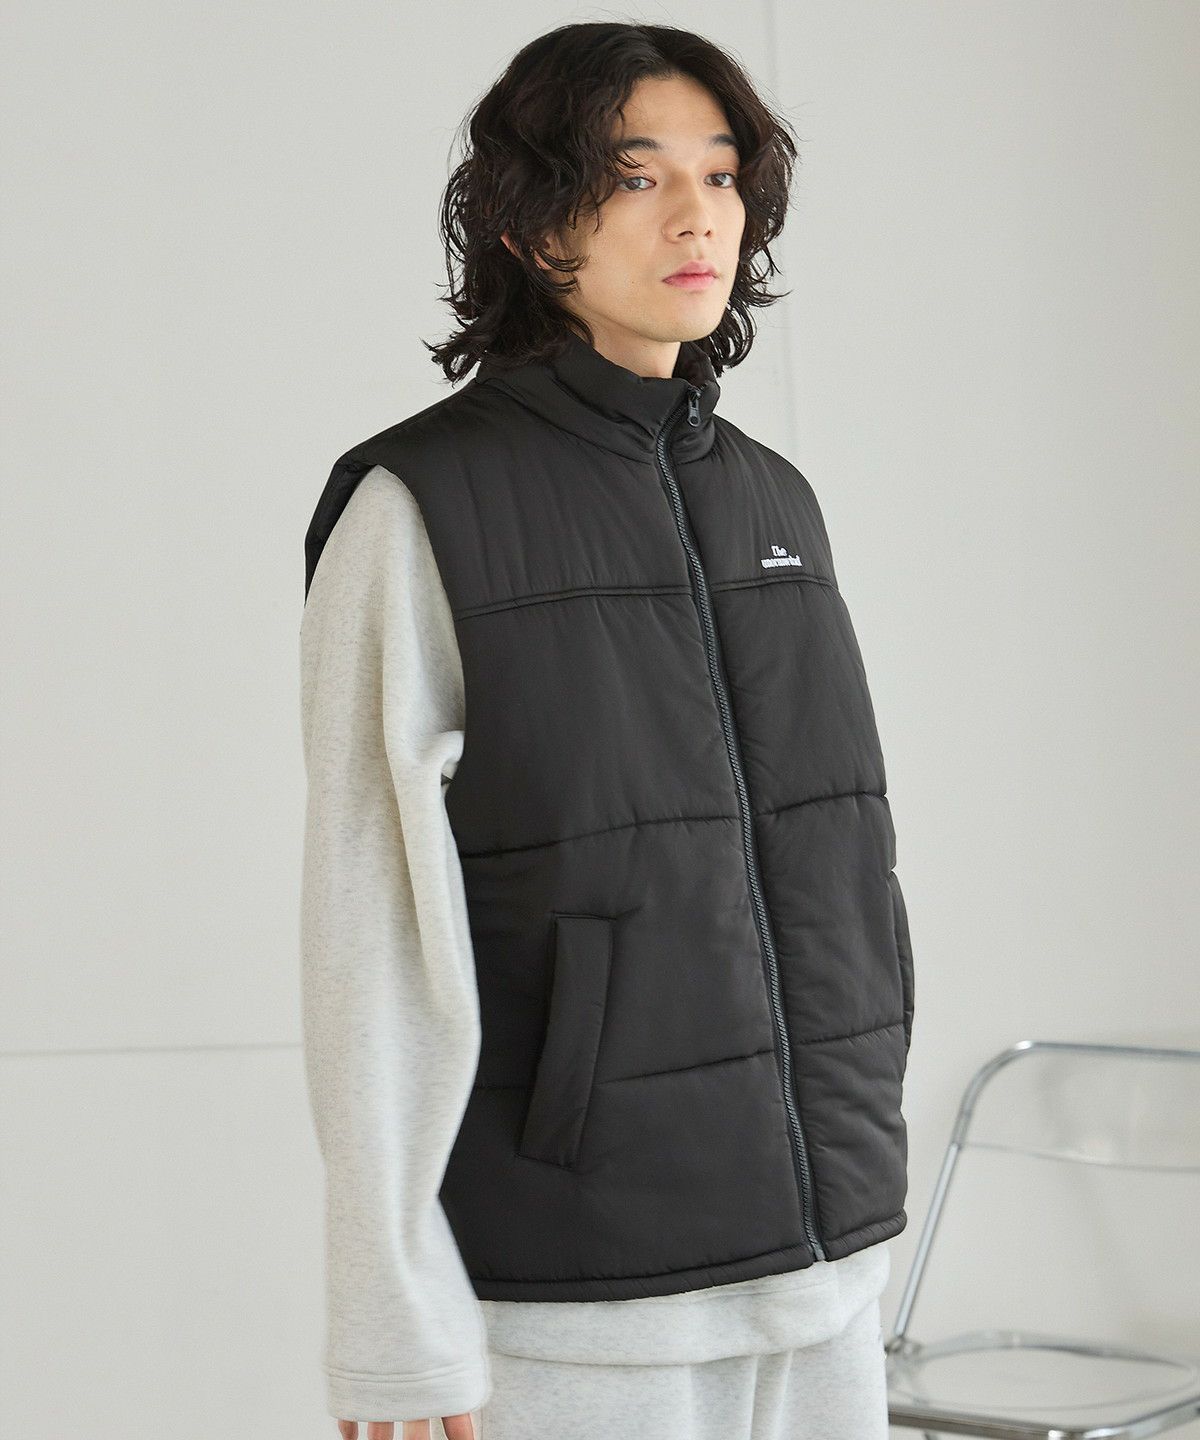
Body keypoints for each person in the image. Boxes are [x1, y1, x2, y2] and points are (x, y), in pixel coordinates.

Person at [299, 21, 915, 1440]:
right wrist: (391, 1311)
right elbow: (366, 920)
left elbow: (836, 856)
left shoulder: (775, 500)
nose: (698, 214)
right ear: (530, 225)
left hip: (828, 1262)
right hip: (585, 1287)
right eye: (637, 177)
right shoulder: (418, 508)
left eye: (722, 173)